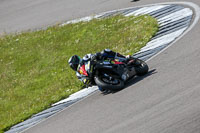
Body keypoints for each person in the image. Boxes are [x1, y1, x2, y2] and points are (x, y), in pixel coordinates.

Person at [68, 49, 133, 91]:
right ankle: (112, 81)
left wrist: (95, 56)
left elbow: (91, 55)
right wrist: (87, 82)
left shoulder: (85, 58)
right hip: (95, 78)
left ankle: (124, 58)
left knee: (105, 51)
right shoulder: (78, 74)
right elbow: (84, 81)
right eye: (73, 65)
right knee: (102, 89)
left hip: (99, 64)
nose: (75, 65)